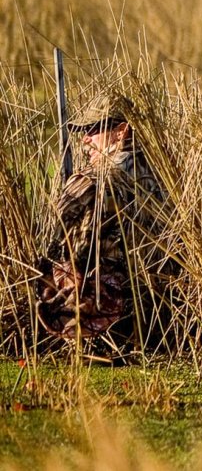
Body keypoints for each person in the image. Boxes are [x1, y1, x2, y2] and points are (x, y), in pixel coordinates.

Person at [36, 93, 168, 343]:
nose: (85, 139)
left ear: (121, 132)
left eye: (93, 129)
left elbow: (60, 238)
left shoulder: (91, 180)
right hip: (157, 305)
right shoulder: (163, 175)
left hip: (100, 309)